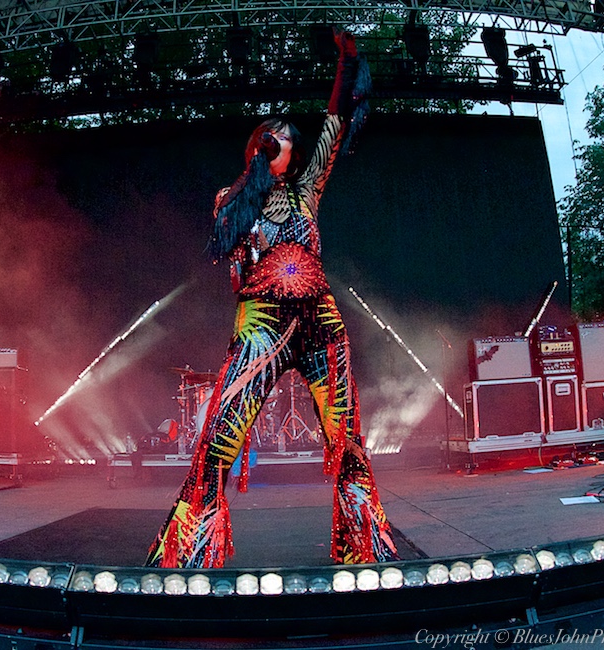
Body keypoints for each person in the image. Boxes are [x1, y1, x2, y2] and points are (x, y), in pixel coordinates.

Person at [146, 31, 399, 568]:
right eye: (273, 134)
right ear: (260, 144)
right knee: (218, 435)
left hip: (320, 322)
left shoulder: (307, 191)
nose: (283, 138)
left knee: (346, 435)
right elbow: (232, 270)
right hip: (261, 322)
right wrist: (253, 235)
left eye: (288, 135)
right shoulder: (233, 197)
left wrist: (346, 64)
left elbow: (334, 126)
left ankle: (364, 553)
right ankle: (191, 554)